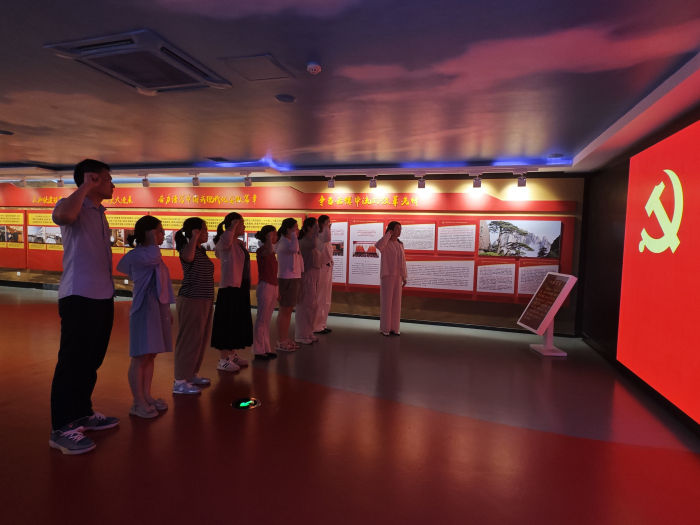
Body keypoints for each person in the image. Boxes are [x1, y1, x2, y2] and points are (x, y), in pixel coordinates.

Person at [49, 159, 120, 455]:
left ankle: (81, 414)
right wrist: (85, 186)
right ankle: (62, 428)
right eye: (108, 179)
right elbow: (62, 216)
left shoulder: (100, 213)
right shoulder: (71, 205)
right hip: (79, 295)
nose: (113, 185)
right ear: (92, 178)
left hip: (102, 296)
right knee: (73, 361)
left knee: (91, 360)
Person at [117, 216, 176, 418]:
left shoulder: (150, 253)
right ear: (148, 233)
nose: (163, 234)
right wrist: (151, 240)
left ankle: (147, 396)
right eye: (159, 230)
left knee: (150, 355)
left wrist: (166, 310)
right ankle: (137, 402)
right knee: (140, 357)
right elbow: (153, 257)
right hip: (144, 309)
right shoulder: (141, 255)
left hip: (155, 309)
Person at [172, 217, 214, 394]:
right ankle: (180, 380)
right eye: (204, 229)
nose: (207, 233)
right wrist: (194, 238)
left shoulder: (201, 250)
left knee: (200, 339)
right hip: (192, 299)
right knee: (189, 339)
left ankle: (190, 374)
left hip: (205, 300)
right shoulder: (186, 248)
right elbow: (188, 258)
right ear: (195, 231)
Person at [211, 212, 252, 370]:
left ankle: (232, 354)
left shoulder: (239, 243)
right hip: (229, 287)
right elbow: (223, 244)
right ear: (233, 224)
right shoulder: (225, 241)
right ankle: (223, 360)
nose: (244, 226)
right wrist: (233, 224)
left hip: (240, 287)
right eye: (242, 223)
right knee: (225, 322)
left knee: (236, 321)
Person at [274, 218, 303, 351]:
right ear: (288, 229)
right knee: (284, 310)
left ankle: (284, 339)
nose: (297, 230)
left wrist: (293, 235)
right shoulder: (284, 242)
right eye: (295, 227)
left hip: (293, 278)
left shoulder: (289, 242)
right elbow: (295, 248)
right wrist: (293, 235)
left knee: (289, 310)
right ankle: (280, 341)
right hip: (286, 279)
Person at [252, 225, 280, 360]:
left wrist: (277, 290)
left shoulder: (272, 252)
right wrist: (269, 238)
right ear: (268, 236)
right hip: (265, 286)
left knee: (267, 320)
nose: (276, 237)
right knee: (261, 319)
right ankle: (258, 350)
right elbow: (268, 250)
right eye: (274, 234)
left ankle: (266, 348)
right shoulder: (261, 250)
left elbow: (274, 272)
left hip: (273, 286)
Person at [375, 221, 407, 336]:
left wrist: (404, 276)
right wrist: (388, 234)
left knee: (396, 302)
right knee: (387, 301)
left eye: (400, 229)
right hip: (388, 275)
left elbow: (403, 262)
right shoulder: (386, 243)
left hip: (398, 275)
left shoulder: (400, 244)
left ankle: (394, 327)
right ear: (391, 230)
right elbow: (378, 245)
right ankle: (386, 328)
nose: (399, 231)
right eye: (397, 229)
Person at [295, 217, 321, 345]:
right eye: (315, 226)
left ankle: (309, 332)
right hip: (306, 275)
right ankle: (301, 334)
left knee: (312, 305)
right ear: (309, 227)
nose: (318, 228)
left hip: (313, 275)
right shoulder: (305, 242)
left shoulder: (310, 241)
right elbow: (312, 243)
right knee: (305, 305)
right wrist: (317, 231)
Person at [314, 215, 333, 335]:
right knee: (321, 298)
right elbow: (327, 237)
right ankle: (317, 326)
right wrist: (326, 227)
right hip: (322, 269)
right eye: (327, 223)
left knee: (327, 299)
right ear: (322, 224)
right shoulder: (319, 237)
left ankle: (322, 324)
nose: (330, 225)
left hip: (328, 268)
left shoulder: (325, 237)